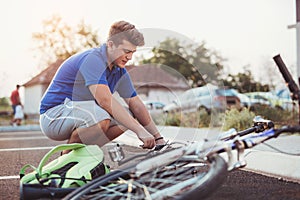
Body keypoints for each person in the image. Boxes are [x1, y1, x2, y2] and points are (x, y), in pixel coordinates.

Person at [40, 21, 165, 153]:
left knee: (128, 116)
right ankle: (66, 158)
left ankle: (85, 153)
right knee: (100, 117)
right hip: (53, 116)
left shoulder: (119, 71)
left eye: (133, 52)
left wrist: (158, 138)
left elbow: (137, 105)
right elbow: (104, 100)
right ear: (110, 44)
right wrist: (139, 130)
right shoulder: (93, 59)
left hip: (80, 114)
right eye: (126, 51)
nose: (130, 57)